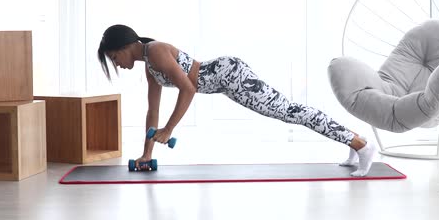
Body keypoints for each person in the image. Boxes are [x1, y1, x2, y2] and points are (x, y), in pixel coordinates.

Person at [97, 24, 376, 176]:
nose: (117, 64)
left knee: (289, 112)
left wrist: (169, 130)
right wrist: (147, 154)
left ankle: (360, 144)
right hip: (224, 80)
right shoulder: (150, 65)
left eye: (114, 57)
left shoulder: (155, 51)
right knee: (290, 110)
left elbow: (189, 89)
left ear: (125, 46)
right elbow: (152, 112)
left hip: (229, 75)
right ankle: (352, 143)